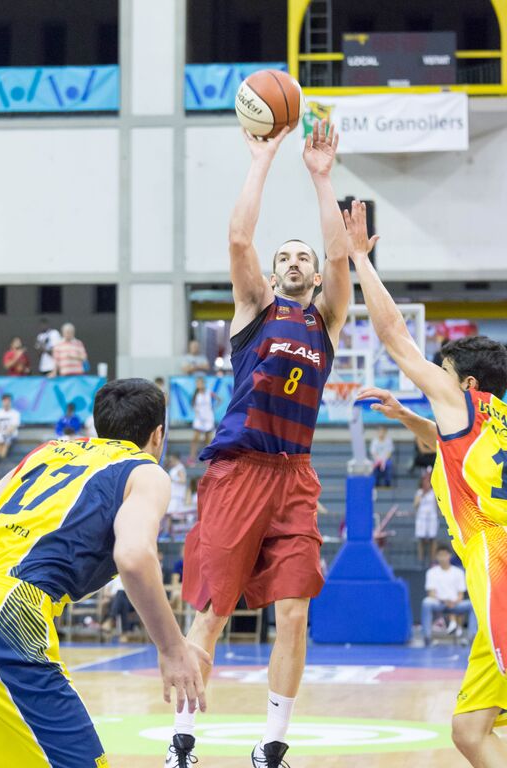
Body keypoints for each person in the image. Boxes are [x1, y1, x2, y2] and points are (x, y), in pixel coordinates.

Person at [167, 119, 356, 768]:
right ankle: (181, 741)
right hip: (239, 470)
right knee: (213, 611)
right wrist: (262, 159)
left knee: (295, 612)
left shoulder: (327, 319)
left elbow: (341, 259)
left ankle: (272, 745)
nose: (296, 261)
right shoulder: (256, 310)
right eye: (286, 258)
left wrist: (322, 176)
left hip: (295, 476)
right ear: (272, 275)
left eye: (303, 256)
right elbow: (239, 238)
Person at [346, 199, 507, 767]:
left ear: (466, 384)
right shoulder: (493, 421)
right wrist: (406, 416)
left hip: (498, 564)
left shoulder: (462, 402)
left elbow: (393, 335)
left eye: (441, 375)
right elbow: (448, 444)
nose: (433, 380)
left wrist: (360, 261)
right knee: (469, 729)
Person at [0, 378, 209, 767]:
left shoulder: (46, 451)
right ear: (158, 434)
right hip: (12, 611)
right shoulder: (144, 471)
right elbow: (133, 555)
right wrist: (172, 648)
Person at [422, 544, 477, 646]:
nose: (443, 558)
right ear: (436, 557)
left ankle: (472, 638)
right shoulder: (431, 572)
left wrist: (454, 602)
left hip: (455, 604)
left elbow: (461, 594)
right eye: (440, 555)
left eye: (445, 555)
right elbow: (431, 593)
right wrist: (443, 601)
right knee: (426, 602)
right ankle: (427, 638)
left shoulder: (458, 572)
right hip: (438, 603)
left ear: (449, 556)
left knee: (473, 605)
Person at [187, 377, 220, 465]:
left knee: (207, 439)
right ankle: (192, 458)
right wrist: (196, 410)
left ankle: (207, 458)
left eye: (200, 383)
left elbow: (219, 399)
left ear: (203, 383)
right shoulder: (195, 394)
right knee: (195, 439)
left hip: (208, 418)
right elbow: (192, 405)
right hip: (199, 419)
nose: (198, 384)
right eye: (197, 383)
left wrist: (213, 409)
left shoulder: (209, 392)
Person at [414, 470, 439, 565]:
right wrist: (422, 495)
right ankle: (420, 560)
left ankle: (433, 561)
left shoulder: (434, 492)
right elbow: (415, 505)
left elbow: (438, 505)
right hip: (421, 518)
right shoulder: (419, 492)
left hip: (432, 518)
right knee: (421, 539)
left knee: (433, 538)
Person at [0, 394, 21, 460]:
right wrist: (0, 433)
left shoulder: (15, 413)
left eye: (8, 401)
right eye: (4, 401)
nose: (6, 403)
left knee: (6, 439)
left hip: (11, 434)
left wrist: (5, 433)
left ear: (10, 402)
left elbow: (13, 426)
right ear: (2, 402)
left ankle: (1, 458)